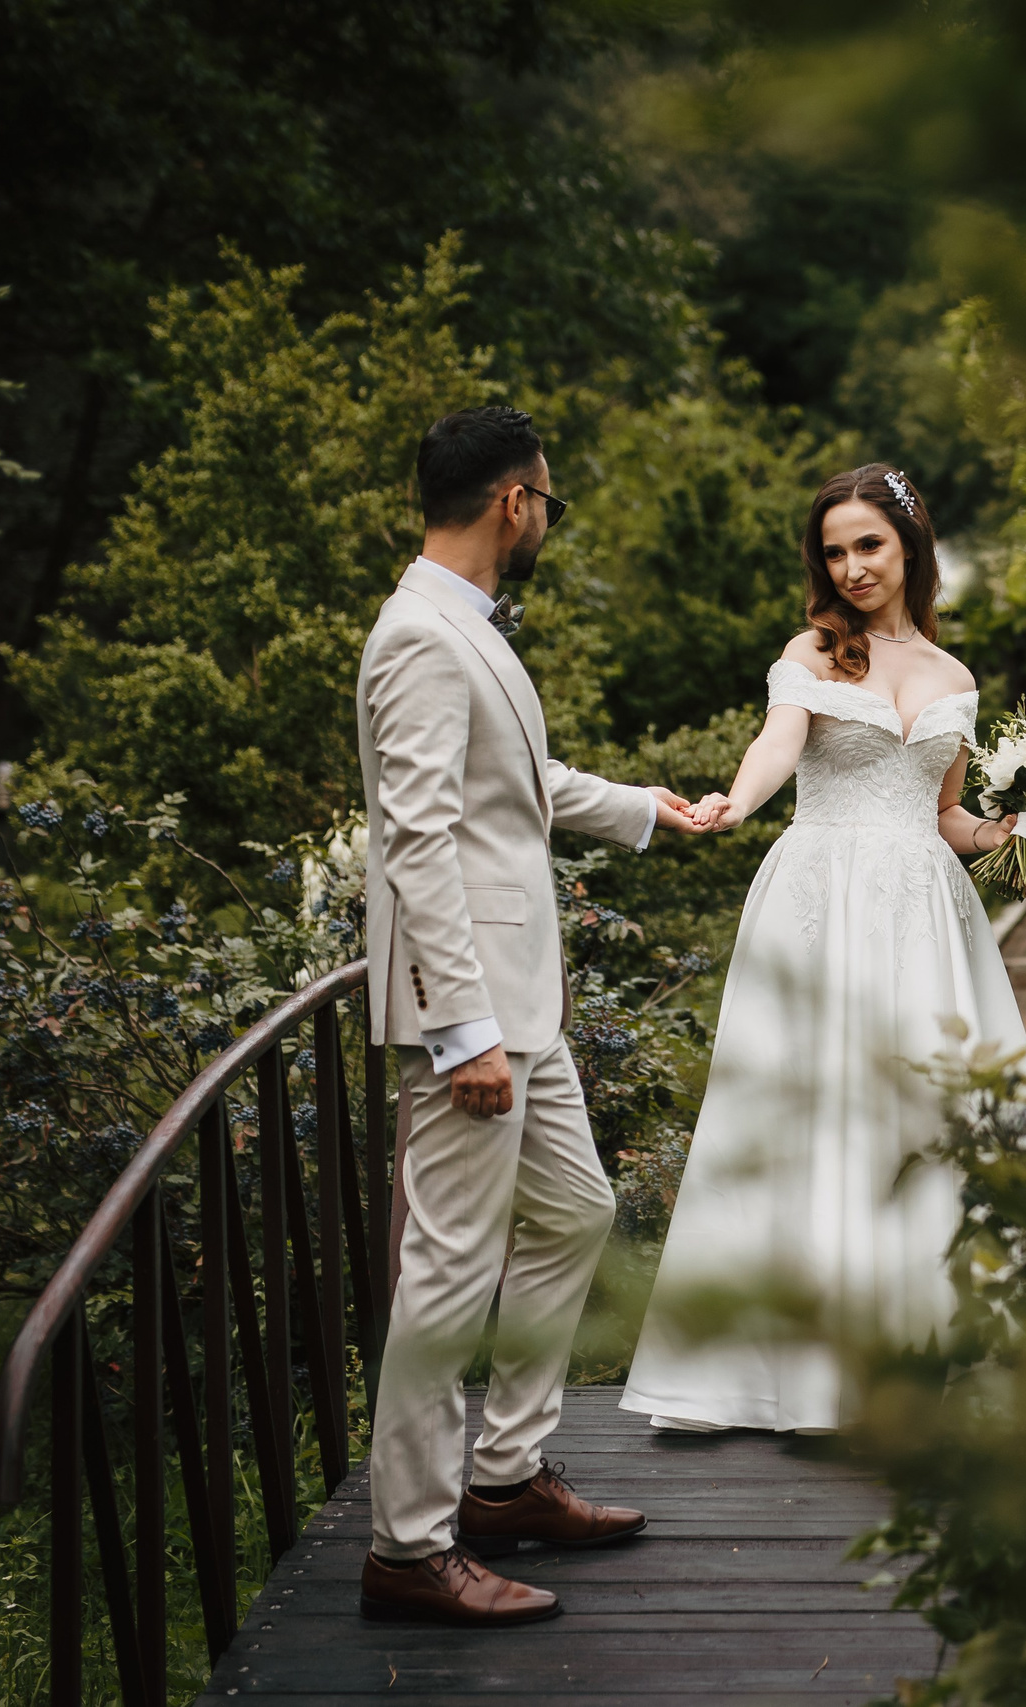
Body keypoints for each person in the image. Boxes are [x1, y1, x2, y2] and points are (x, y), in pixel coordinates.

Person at [356, 406, 703, 1627]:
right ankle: (405, 1549)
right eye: (548, 501)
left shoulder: (462, 630)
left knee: (577, 1207)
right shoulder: (420, 637)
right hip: (473, 1018)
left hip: (522, 1004)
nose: (548, 520)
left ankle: (502, 1478)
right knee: (447, 1271)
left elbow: (510, 788)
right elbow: (417, 838)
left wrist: (642, 808)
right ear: (514, 501)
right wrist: (463, 1034)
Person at [617, 463, 1026, 1434]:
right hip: (820, 896)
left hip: (924, 914)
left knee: (924, 1115)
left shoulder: (953, 678)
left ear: (909, 545)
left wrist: (1014, 832)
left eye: (868, 544)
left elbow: (945, 815)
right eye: (834, 550)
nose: (850, 566)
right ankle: (781, 1374)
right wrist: (736, 798)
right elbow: (776, 744)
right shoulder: (812, 652)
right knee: (808, 1109)